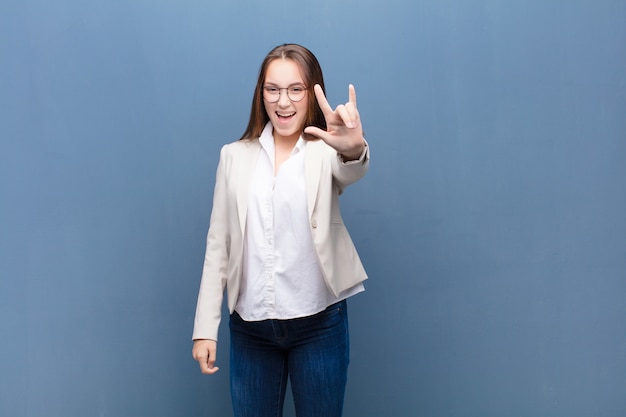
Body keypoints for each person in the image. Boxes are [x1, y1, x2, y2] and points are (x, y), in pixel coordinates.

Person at [192, 43, 369, 417]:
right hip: (251, 329)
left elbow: (350, 168)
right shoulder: (234, 156)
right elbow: (218, 245)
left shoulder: (325, 152)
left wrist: (353, 148)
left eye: (295, 89)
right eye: (272, 89)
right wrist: (205, 328)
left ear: (311, 93)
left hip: (319, 324)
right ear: (261, 94)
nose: (283, 101)